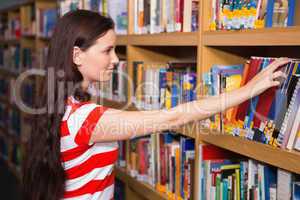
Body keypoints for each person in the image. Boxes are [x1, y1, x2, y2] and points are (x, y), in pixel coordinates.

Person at [22, 9, 289, 200]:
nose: (116, 60)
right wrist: (250, 89)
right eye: (107, 51)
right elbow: (172, 118)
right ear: (77, 56)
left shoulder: (62, 105)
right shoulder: (86, 118)